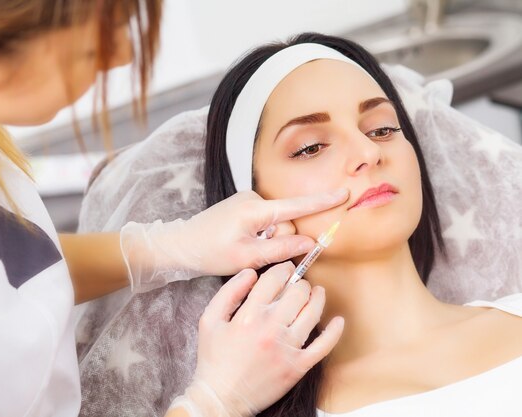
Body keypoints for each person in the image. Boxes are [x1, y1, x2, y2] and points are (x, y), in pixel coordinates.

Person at [0, 2, 348, 416]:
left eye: (385, 129)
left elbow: (3, 280)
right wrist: (216, 402)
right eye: (92, 47)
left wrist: (166, 248)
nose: (123, 56)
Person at [204, 32, 522, 416]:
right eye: (310, 147)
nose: (368, 153)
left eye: (382, 129)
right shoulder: (236, 401)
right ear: (252, 206)